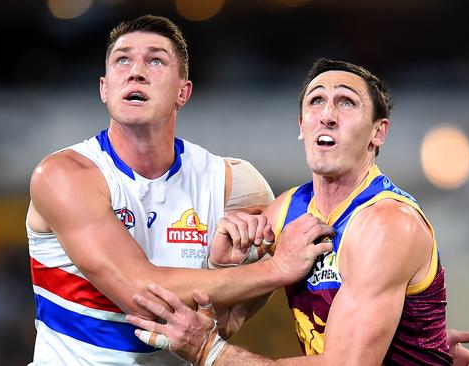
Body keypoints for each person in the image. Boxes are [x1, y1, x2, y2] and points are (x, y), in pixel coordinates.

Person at [126, 58, 469, 365]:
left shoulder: (386, 225)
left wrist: (209, 351)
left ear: (378, 133)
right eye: (316, 101)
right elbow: (227, 325)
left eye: (347, 102)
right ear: (302, 126)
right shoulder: (286, 210)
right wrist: (224, 268)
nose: (328, 115)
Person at [26, 15, 335, 365]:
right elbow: (142, 292)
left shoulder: (235, 184)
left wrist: (226, 300)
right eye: (122, 60)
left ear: (183, 91)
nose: (136, 71)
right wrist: (277, 268)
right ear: (105, 88)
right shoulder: (63, 175)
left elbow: (234, 303)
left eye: (156, 60)